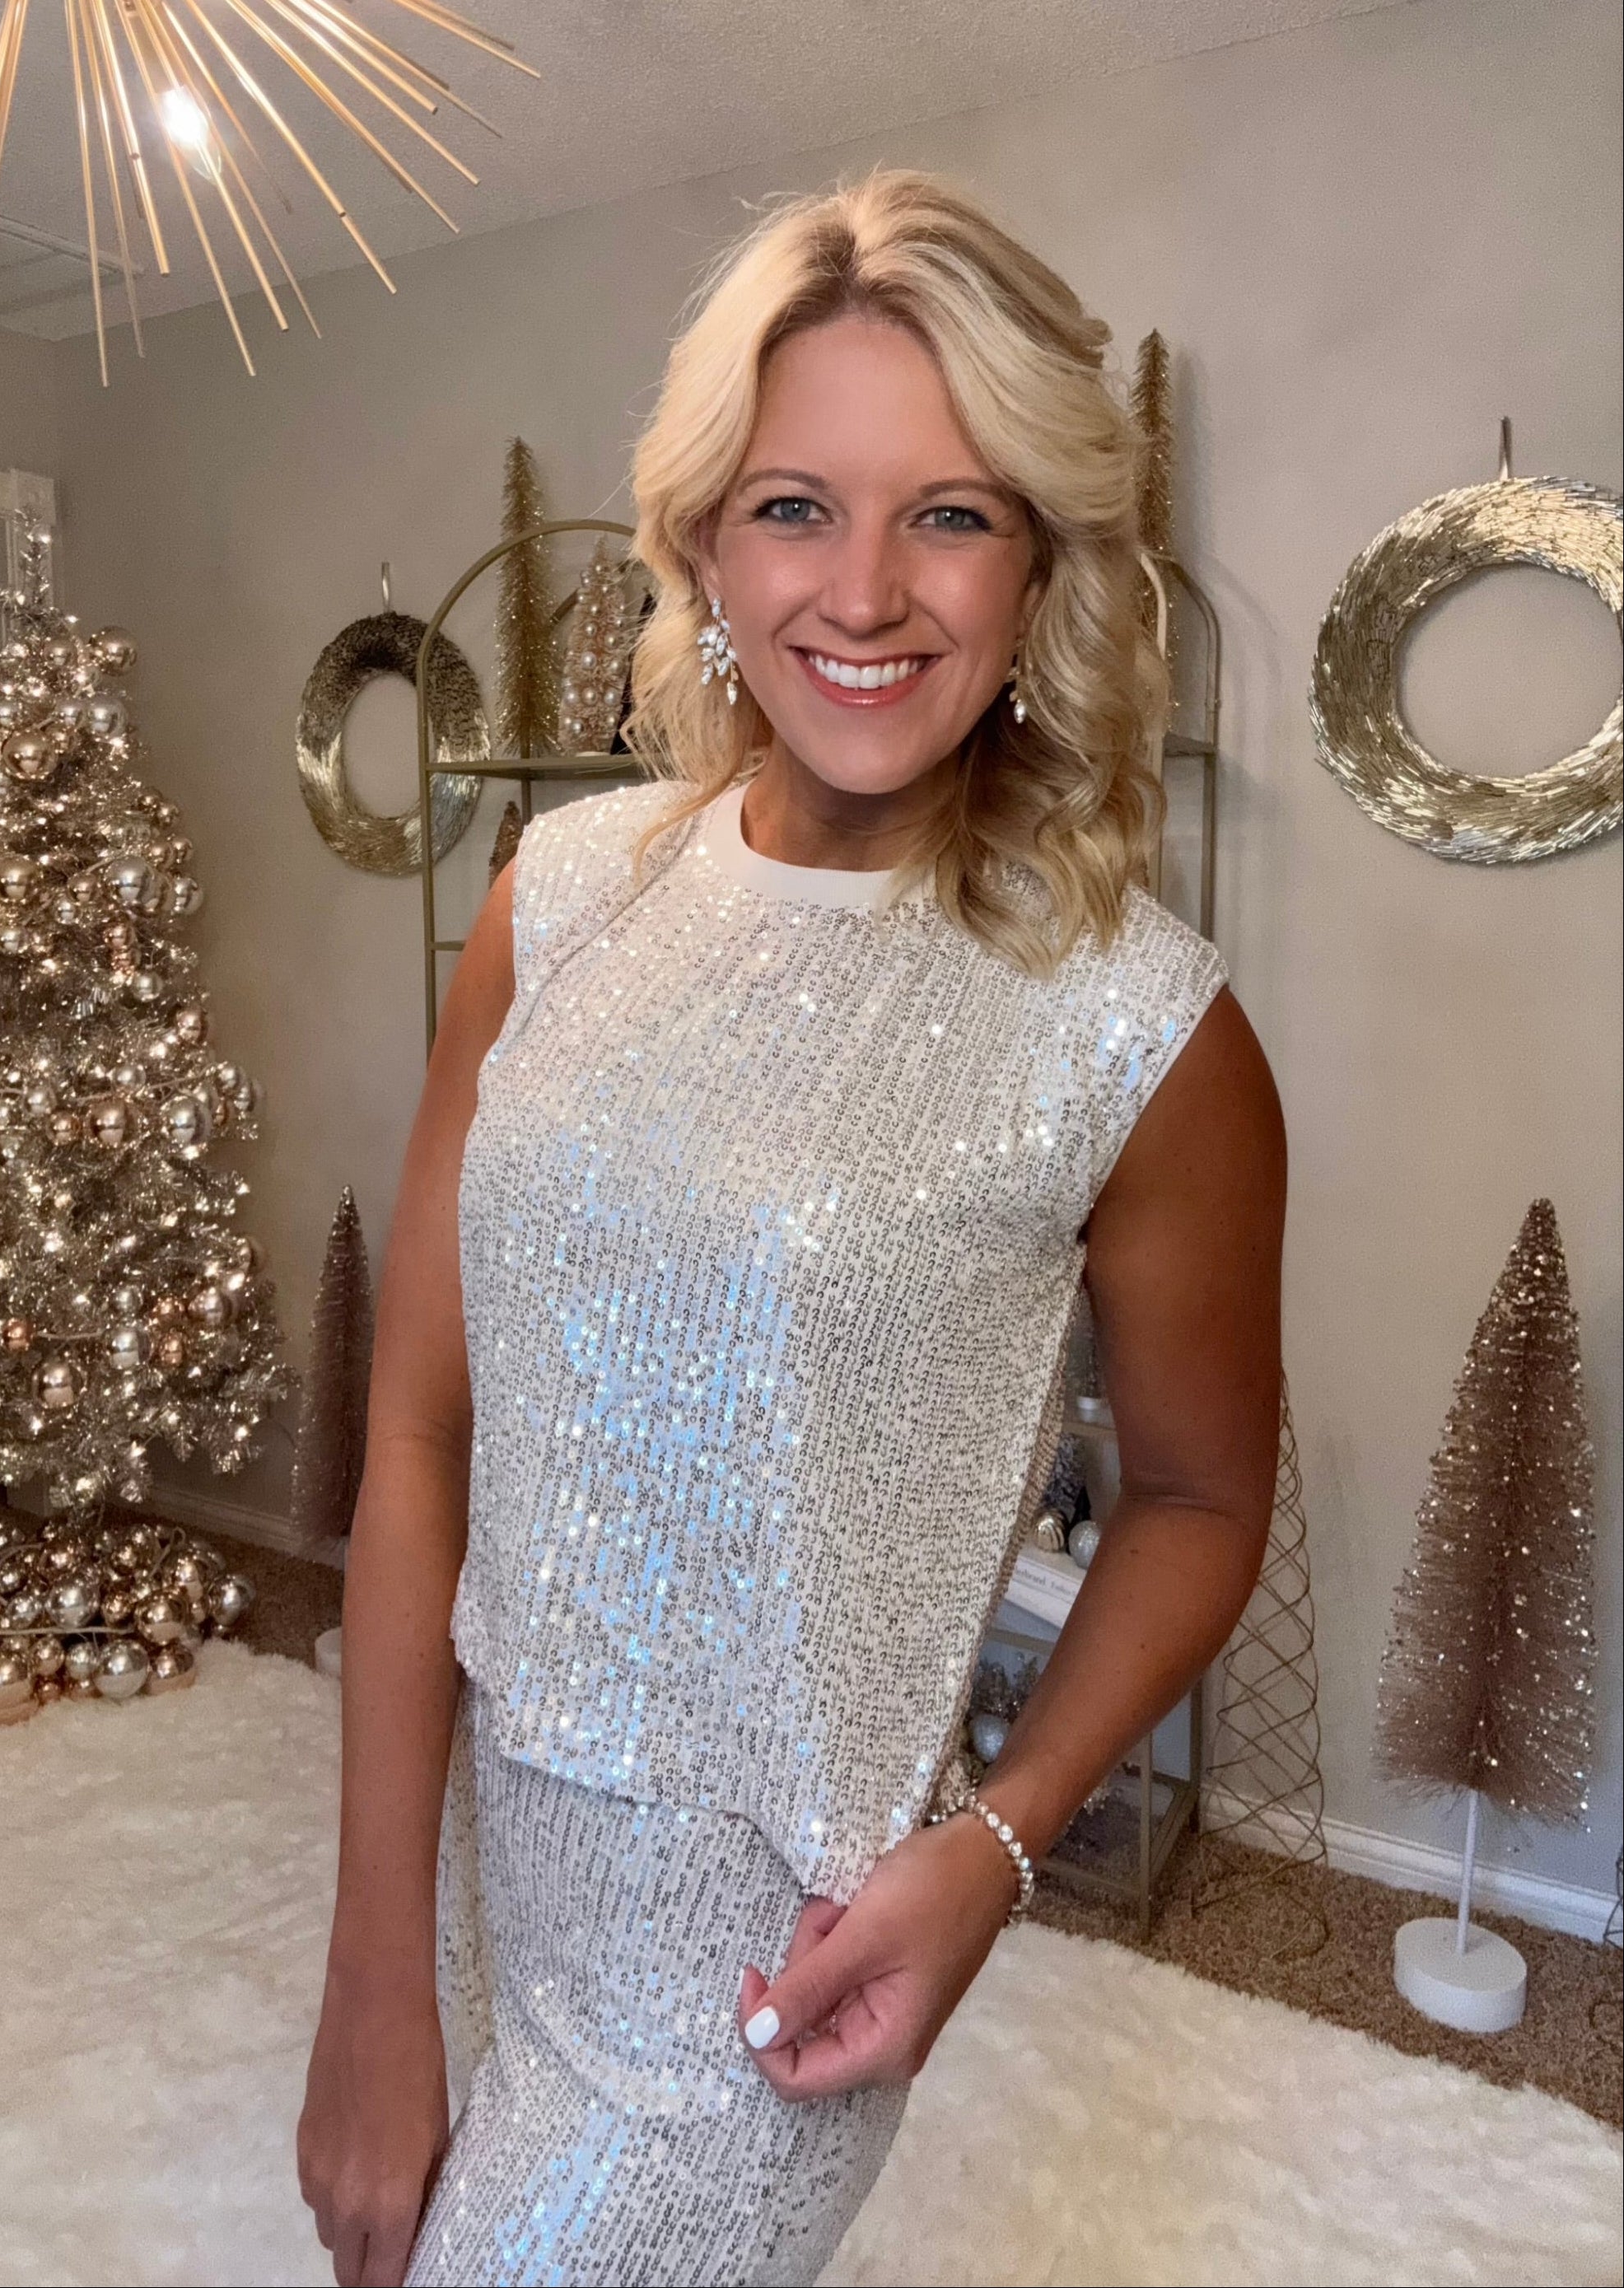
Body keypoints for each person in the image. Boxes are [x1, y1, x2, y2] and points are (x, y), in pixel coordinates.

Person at [297, 167, 1286, 2288]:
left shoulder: (1138, 1027)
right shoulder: (561, 899)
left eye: (951, 514)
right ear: (702, 549)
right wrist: (374, 1974)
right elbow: (422, 1438)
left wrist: (997, 1844)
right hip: (496, 1877)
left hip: (764, 1987)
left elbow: (1202, 1500)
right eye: (792, 507)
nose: (865, 591)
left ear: (1037, 564)